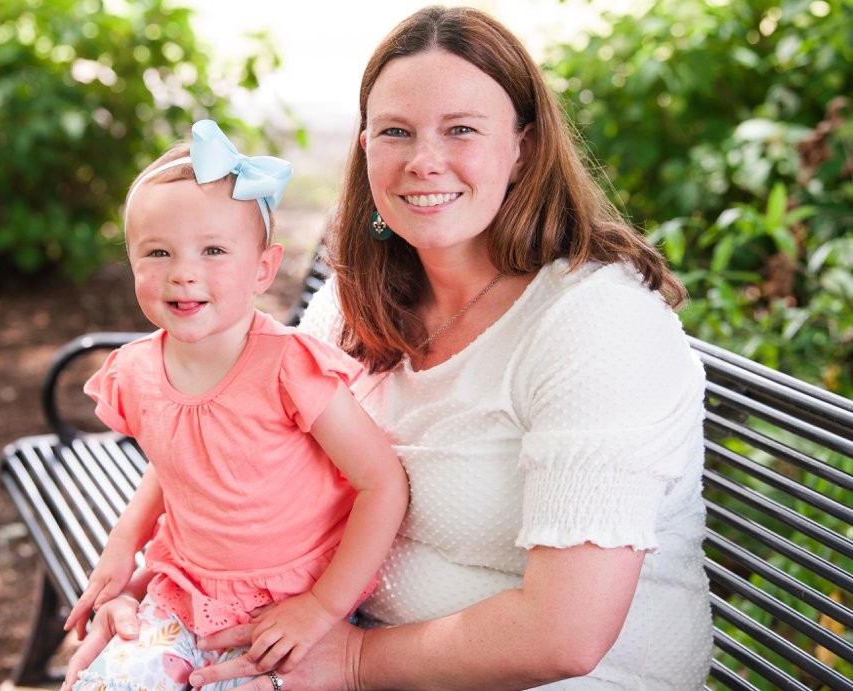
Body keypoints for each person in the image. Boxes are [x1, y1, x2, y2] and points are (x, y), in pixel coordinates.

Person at [67, 6, 713, 690]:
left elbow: (565, 636)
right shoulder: (351, 304)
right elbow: (232, 447)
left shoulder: (597, 324)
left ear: (522, 147)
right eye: (395, 132)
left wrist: (352, 661)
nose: (423, 161)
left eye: (461, 129)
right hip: (324, 638)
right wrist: (158, 590)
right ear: (366, 148)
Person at [61, 119, 409, 691]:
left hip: (291, 603)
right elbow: (172, 462)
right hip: (184, 589)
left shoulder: (289, 367)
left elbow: (382, 483)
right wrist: (123, 548)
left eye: (214, 250)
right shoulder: (137, 370)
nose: (183, 273)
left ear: (263, 269)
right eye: (158, 252)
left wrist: (321, 608)